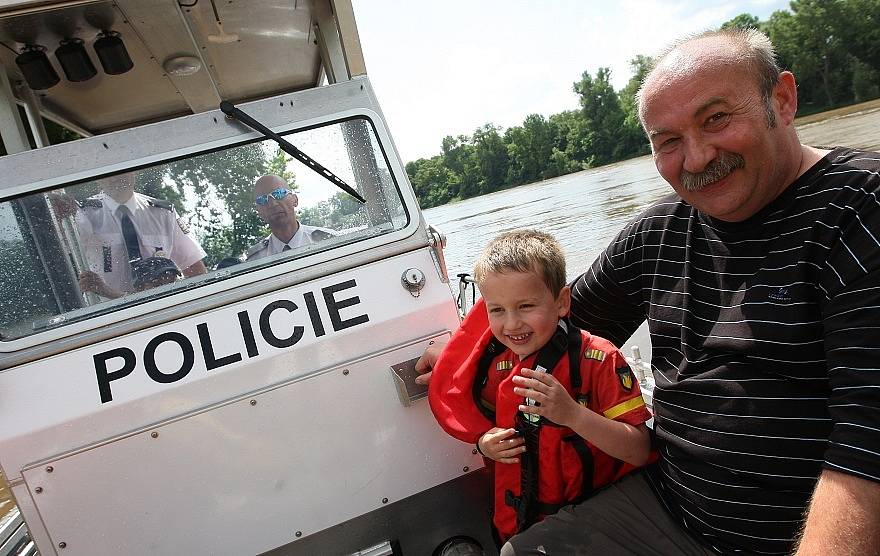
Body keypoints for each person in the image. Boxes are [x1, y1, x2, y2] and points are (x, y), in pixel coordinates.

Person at [418, 28, 880, 556]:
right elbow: (562, 317)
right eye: (668, 141)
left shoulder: (861, 211)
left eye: (716, 118)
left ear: (783, 99)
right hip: (669, 505)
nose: (697, 158)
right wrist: (464, 351)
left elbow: (867, 449)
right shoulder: (660, 232)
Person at [428, 229, 652, 542]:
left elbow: (639, 451)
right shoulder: (497, 362)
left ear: (561, 302)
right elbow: (474, 401)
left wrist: (573, 414)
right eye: (497, 309)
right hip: (524, 522)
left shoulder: (599, 360)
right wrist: (484, 442)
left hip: (592, 517)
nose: (511, 324)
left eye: (526, 306)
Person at [56, 171, 207, 299]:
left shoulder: (162, 213)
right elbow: (62, 253)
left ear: (134, 170)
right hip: (108, 315)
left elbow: (196, 271)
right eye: (107, 171)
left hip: (161, 309)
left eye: (120, 168)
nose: (115, 176)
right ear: (97, 178)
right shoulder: (83, 215)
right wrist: (57, 217)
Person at [245, 174, 335, 260]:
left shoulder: (330, 241)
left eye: (279, 194)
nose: (272, 203)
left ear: (295, 200)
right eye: (263, 200)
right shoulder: (255, 260)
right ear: (259, 211)